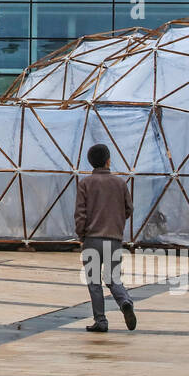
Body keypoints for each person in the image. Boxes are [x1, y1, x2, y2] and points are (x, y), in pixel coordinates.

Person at [75, 143, 136, 333]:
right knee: (113, 278)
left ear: (91, 162)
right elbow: (129, 209)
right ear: (108, 161)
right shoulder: (120, 183)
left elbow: (80, 214)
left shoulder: (85, 183)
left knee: (94, 282)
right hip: (114, 239)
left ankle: (100, 321)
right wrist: (116, 222)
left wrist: (81, 235)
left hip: (92, 239)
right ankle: (125, 301)